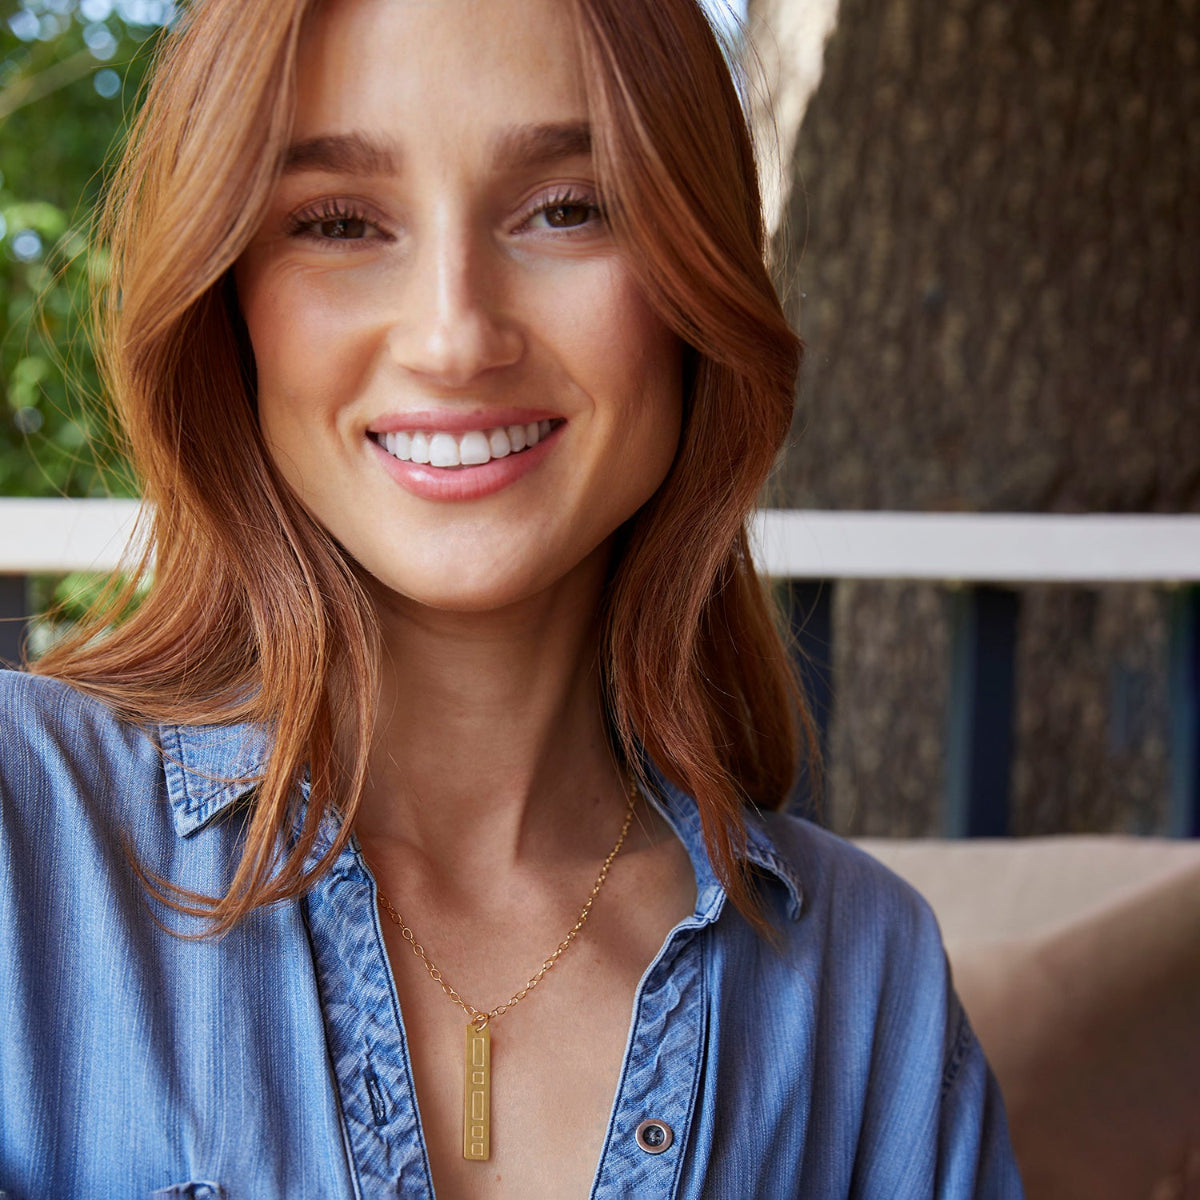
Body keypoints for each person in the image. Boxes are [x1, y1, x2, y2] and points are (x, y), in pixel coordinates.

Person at [0, 0, 1023, 1196]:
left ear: (697, 276)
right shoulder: (24, 833)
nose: (454, 336)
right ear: (229, 297)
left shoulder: (867, 978)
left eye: (567, 209)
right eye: (337, 222)